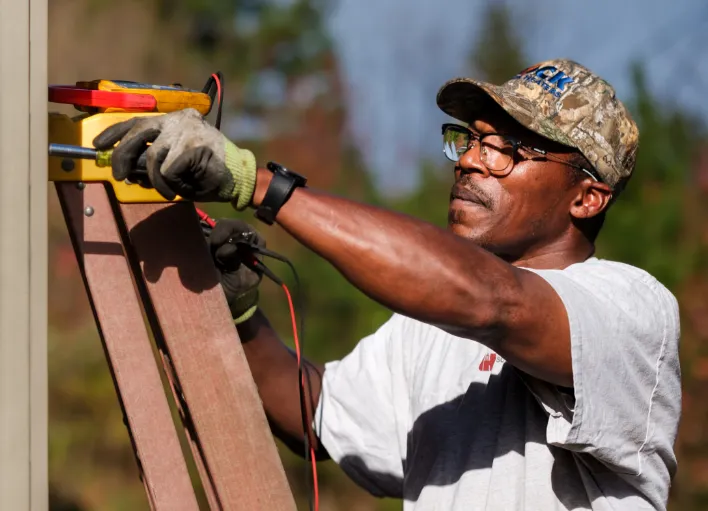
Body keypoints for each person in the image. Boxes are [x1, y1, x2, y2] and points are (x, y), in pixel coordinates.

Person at [94, 59, 681, 510]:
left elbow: (494, 301)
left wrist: (257, 184)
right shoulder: (430, 328)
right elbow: (317, 416)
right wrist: (245, 317)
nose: (470, 160)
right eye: (469, 139)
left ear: (587, 197)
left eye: (505, 149)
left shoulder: (630, 309)